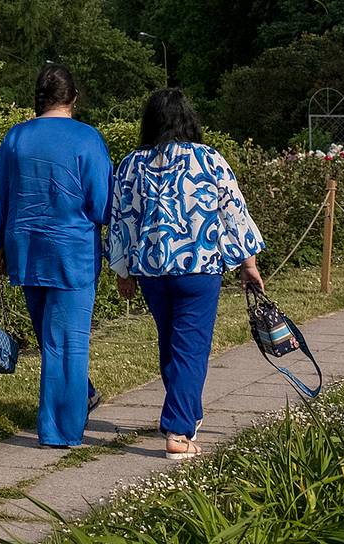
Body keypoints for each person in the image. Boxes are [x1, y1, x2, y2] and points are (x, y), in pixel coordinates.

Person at [109, 87, 264, 461]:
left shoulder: (132, 164)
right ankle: (178, 432)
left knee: (171, 343)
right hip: (198, 266)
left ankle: (188, 413)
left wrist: (122, 270)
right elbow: (233, 211)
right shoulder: (209, 160)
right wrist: (248, 263)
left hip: (152, 269)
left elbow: (120, 220)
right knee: (191, 347)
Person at [0, 64, 113, 448]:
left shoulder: (16, 137)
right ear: (74, 98)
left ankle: (76, 397)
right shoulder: (88, 139)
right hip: (73, 251)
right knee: (69, 341)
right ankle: (60, 429)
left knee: (49, 337)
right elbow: (102, 203)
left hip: (27, 249)